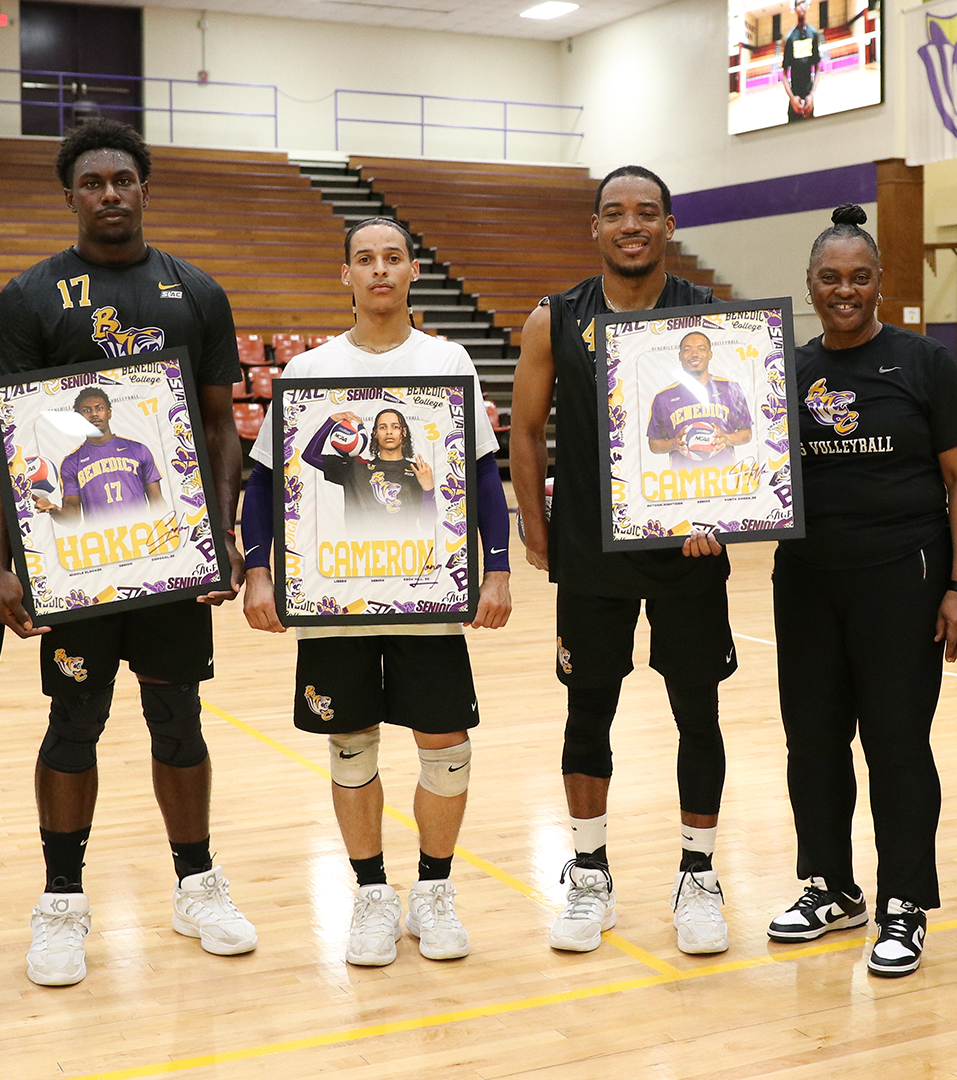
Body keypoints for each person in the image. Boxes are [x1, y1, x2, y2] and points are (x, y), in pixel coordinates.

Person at [0, 118, 254, 988]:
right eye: (93, 182)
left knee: (178, 717)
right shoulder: (28, 298)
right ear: (69, 195)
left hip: (169, 555)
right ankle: (62, 900)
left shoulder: (196, 291)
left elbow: (220, 425)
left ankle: (196, 885)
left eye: (123, 180)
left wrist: (223, 535)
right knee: (74, 721)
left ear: (145, 188)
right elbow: (7, 442)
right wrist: (0, 560)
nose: (110, 194)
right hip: (73, 563)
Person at [240, 216, 512, 967]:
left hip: (428, 593)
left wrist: (496, 569)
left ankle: (434, 891)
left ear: (413, 271)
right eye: (366, 259)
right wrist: (258, 569)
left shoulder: (448, 360)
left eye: (394, 258)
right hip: (336, 598)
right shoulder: (309, 371)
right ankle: (369, 894)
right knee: (351, 741)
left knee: (445, 746)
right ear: (347, 274)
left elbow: (482, 473)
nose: (380, 270)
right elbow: (265, 479)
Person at [511, 165, 737, 957]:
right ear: (596, 228)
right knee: (588, 713)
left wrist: (728, 515)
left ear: (669, 225)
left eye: (646, 212)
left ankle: (698, 876)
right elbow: (526, 431)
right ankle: (588, 872)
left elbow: (739, 437)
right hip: (592, 553)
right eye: (615, 213)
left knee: (698, 714)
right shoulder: (555, 317)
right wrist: (535, 529)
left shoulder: (709, 318)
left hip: (688, 551)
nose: (631, 225)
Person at [766, 205, 957, 978]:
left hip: (904, 578)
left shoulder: (923, 363)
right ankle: (831, 886)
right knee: (812, 740)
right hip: (806, 581)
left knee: (896, 743)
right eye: (830, 278)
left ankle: (905, 901)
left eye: (859, 277)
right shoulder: (784, 371)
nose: (845, 290)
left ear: (880, 283)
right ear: (810, 285)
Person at [37, 386, 166, 523]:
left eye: (99, 408)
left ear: (109, 413)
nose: (94, 414)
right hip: (102, 535)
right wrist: (54, 510)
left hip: (142, 532)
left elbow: (157, 501)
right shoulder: (71, 463)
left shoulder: (138, 450)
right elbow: (73, 519)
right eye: (87, 410)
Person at [302, 405, 435, 537]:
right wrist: (332, 420)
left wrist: (429, 488)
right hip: (361, 549)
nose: (389, 432)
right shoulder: (356, 468)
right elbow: (310, 455)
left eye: (395, 427)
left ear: (404, 432)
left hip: (403, 549)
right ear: (375, 433)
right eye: (382, 427)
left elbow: (428, 524)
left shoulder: (418, 472)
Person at [645, 331, 753, 468]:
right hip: (683, 477)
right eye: (687, 349)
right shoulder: (663, 397)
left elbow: (747, 433)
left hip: (725, 475)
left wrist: (727, 439)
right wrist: (674, 443)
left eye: (701, 349)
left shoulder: (730, 389)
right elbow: (654, 445)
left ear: (710, 354)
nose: (694, 354)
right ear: (680, 356)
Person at [776, 0, 823, 123]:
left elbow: (818, 68)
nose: (801, 6)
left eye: (803, 3)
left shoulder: (813, 34)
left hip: (808, 98)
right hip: (795, 98)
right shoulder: (790, 38)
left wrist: (811, 95)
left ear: (807, 6)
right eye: (798, 4)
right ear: (795, 9)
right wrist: (792, 98)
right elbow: (784, 74)